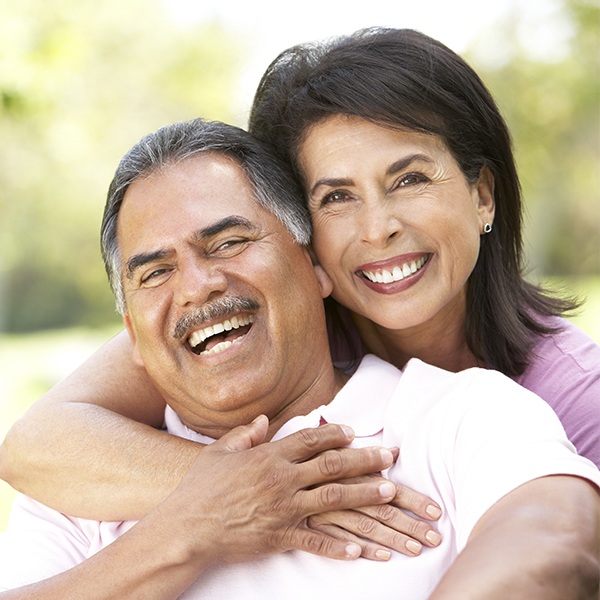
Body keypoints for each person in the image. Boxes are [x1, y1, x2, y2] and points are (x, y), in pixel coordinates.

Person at [1, 27, 599, 548]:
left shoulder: (570, 392)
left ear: (483, 195)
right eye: (336, 196)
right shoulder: (272, 322)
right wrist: (274, 488)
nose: (378, 227)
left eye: (410, 178)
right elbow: (36, 445)